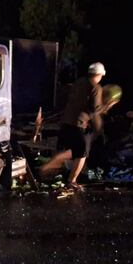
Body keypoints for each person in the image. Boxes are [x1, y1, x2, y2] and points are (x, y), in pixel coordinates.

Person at [39, 62, 112, 190]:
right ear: (99, 74)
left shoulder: (79, 82)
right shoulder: (96, 87)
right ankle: (71, 181)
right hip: (80, 124)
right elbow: (95, 109)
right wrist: (107, 106)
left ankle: (51, 165)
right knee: (82, 154)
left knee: (73, 151)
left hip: (67, 121)